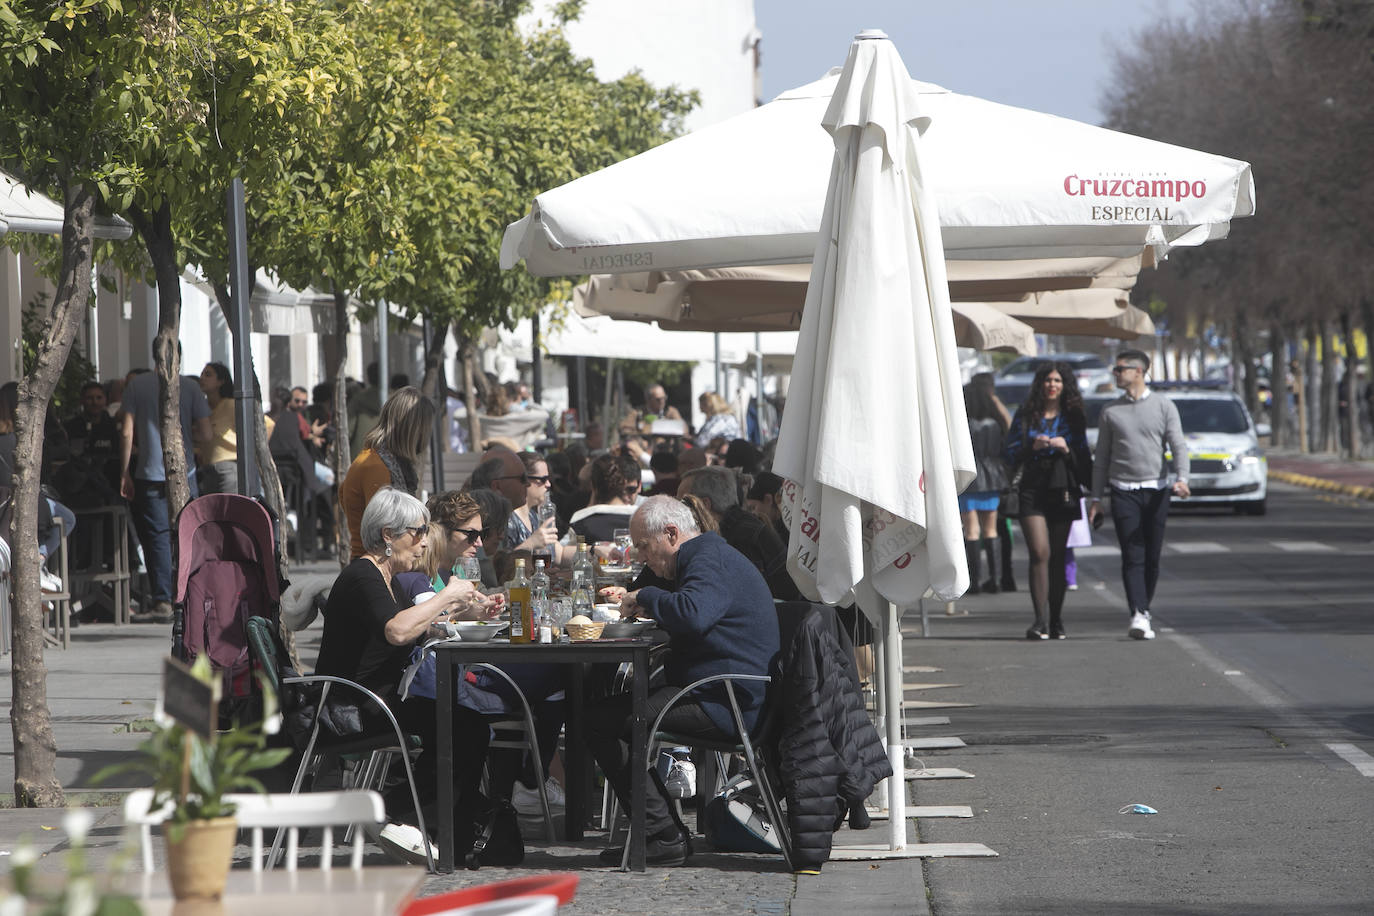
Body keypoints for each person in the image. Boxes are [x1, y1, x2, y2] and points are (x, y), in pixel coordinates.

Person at [587, 495, 779, 867]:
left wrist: (647, 595)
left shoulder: (708, 559)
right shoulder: (703, 556)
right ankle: (665, 832)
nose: (641, 556)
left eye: (644, 546)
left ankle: (664, 836)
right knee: (603, 712)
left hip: (726, 701)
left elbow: (694, 614)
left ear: (671, 533)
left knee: (600, 721)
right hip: (717, 689)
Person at [313, 487, 500, 862]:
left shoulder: (385, 578)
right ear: (387, 535)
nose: (423, 542)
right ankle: (399, 813)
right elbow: (396, 631)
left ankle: (432, 828)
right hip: (352, 708)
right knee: (465, 728)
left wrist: (461, 617)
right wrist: (445, 597)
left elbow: (414, 628)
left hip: (377, 700)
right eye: (418, 532)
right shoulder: (364, 575)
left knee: (465, 725)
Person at [1088, 349, 1189, 641]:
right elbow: (1102, 458)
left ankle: (1143, 607)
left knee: (1152, 555)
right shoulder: (1110, 411)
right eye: (1115, 370)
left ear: (1139, 371)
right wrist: (1096, 498)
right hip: (1123, 490)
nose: (1116, 374)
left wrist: (1182, 479)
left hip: (1157, 489)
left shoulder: (1163, 406)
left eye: (1120, 369)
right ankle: (1139, 612)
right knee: (1133, 554)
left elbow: (1178, 445)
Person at [119, 348, 212, 623]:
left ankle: (162, 599)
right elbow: (207, 433)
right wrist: (191, 446)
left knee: (158, 536)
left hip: (148, 472)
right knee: (189, 534)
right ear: (179, 356)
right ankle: (192, 595)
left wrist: (125, 471)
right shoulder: (191, 387)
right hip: (186, 472)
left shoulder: (137, 385)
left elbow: (126, 431)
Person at [1003, 362, 1092, 640]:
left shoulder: (1073, 416)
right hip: (1032, 488)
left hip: (1062, 489)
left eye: (1057, 380)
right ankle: (1039, 620)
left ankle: (1056, 620)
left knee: (1056, 556)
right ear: (1040, 384)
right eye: (1047, 380)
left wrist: (1065, 449)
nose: (1052, 385)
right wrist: (1033, 447)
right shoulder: (1027, 414)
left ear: (1064, 386)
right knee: (1039, 553)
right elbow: (1009, 452)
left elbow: (1083, 457)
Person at [340, 387, 436, 560]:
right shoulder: (376, 467)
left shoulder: (382, 461)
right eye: (426, 428)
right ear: (413, 429)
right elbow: (383, 534)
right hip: (375, 566)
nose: (427, 436)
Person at [678, 465, 800, 601]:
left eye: (682, 503)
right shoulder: (735, 526)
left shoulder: (741, 535)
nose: (677, 511)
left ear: (704, 504)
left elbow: (744, 594)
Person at [961, 374, 1011, 594]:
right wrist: (996, 400)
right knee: (991, 530)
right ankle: (996, 579)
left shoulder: (964, 425)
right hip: (993, 477)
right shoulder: (994, 424)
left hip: (970, 478)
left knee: (971, 531)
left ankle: (975, 581)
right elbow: (1010, 428)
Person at [502, 451, 563, 564]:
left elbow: (560, 553)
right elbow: (501, 567)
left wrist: (593, 550)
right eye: (543, 479)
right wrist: (532, 543)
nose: (549, 484)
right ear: (524, 480)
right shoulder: (506, 520)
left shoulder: (534, 516)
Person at [563, 452, 637, 544]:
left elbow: (564, 552)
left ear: (593, 486)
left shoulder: (580, 523)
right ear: (624, 484)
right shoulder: (643, 519)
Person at [196, 362, 238, 495]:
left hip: (228, 469)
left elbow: (268, 425)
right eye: (202, 374)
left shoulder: (231, 405)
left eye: (208, 375)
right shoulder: (202, 408)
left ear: (221, 381)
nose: (202, 378)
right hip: (207, 470)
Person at [619, 383, 684, 436]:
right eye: (658, 399)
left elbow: (683, 429)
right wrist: (644, 430)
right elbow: (624, 429)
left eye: (664, 398)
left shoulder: (671, 412)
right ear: (648, 400)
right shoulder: (637, 413)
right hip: (645, 449)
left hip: (669, 449)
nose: (662, 401)